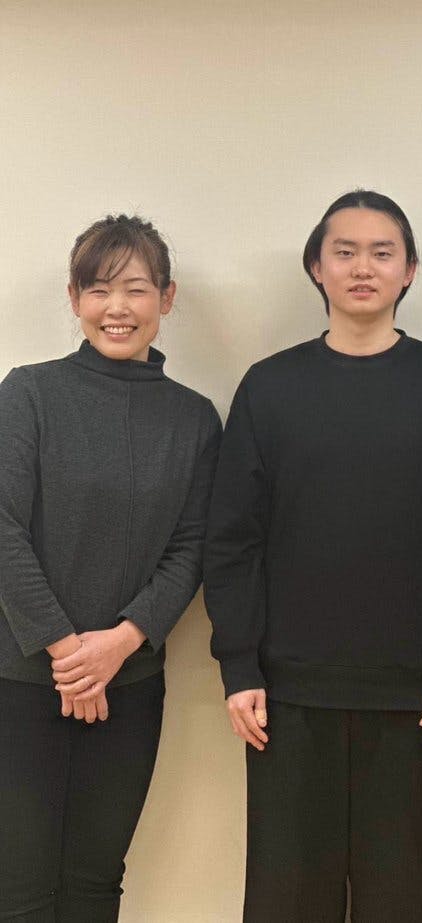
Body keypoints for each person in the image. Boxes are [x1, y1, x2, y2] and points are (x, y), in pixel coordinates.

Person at [204, 190, 422, 922]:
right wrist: (239, 665)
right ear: (317, 267)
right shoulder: (270, 387)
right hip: (285, 698)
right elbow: (234, 540)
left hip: (417, 700)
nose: (363, 267)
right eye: (345, 251)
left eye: (382, 252)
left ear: (409, 271)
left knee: (405, 902)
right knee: (286, 902)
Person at [0, 214, 221, 922]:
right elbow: (3, 528)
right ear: (74, 298)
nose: (116, 307)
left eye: (136, 288)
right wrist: (70, 653)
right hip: (22, 679)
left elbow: (193, 545)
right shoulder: (28, 393)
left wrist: (119, 644)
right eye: (98, 289)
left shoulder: (194, 419)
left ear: (166, 296)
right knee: (20, 885)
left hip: (131, 683)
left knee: (97, 881)